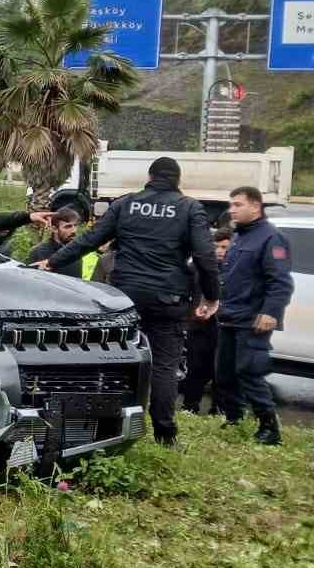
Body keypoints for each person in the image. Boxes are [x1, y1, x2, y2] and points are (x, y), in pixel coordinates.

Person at [37, 157, 220, 445]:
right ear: (177, 180)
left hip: (124, 299)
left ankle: (105, 427)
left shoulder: (126, 204)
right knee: (163, 366)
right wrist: (212, 296)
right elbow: (205, 257)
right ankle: (164, 434)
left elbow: (90, 240)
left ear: (149, 177)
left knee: (115, 359)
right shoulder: (190, 208)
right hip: (167, 299)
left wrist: (53, 261)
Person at [214, 186, 294, 445]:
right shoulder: (239, 237)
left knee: (249, 372)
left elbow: (280, 282)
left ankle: (269, 427)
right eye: (231, 204)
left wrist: (270, 312)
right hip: (230, 316)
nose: (231, 209)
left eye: (238, 205)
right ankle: (235, 418)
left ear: (255, 207)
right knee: (225, 373)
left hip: (252, 319)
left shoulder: (271, 238)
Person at [180, 230, 232, 416]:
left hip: (224, 327)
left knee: (221, 371)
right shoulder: (196, 267)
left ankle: (218, 410)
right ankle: (189, 406)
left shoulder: (235, 270)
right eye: (216, 246)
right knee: (195, 368)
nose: (219, 251)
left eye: (224, 247)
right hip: (198, 326)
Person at [26, 209, 86, 277]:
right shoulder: (39, 252)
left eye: (75, 225)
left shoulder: (76, 252)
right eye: (68, 226)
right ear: (54, 229)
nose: (74, 231)